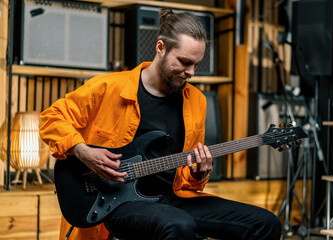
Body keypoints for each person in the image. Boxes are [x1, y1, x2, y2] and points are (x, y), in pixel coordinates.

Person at [40, 8, 282, 240]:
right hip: (116, 202)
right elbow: (51, 118)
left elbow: (188, 180)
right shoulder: (107, 87)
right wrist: (83, 151)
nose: (191, 72)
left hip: (172, 198)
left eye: (196, 64)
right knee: (178, 225)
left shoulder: (196, 100)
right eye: (185, 62)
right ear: (160, 48)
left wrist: (199, 173)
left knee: (265, 223)